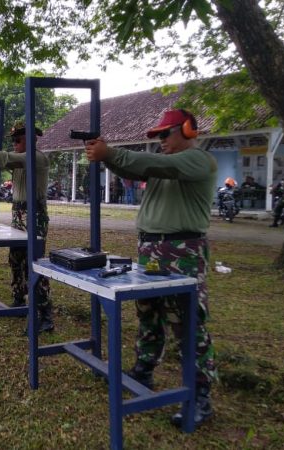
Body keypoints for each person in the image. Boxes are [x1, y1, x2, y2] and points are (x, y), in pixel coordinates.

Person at [84, 109, 218, 427]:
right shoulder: (164, 165)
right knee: (149, 312)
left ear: (187, 130)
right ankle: (144, 370)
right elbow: (140, 167)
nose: (160, 142)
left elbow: (153, 164)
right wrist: (104, 156)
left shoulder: (198, 160)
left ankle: (200, 396)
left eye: (164, 134)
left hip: (182, 249)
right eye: (158, 136)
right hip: (152, 249)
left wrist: (110, 152)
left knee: (188, 323)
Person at [0, 121, 55, 333]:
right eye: (13, 140)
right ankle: (20, 298)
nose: (14, 143)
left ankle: (44, 312)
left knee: (33, 262)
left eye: (18, 139)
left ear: (31, 139)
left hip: (33, 214)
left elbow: (7, 158)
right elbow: (2, 160)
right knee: (16, 258)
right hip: (19, 212)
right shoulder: (21, 159)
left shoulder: (36, 157)